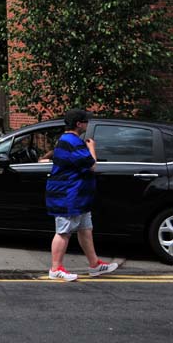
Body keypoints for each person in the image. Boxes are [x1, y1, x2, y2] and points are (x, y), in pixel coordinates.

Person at [45, 109, 118, 281]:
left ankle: (95, 265)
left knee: (85, 228)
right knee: (63, 231)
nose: (87, 124)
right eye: (86, 121)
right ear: (79, 124)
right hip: (67, 194)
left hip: (78, 195)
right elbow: (91, 165)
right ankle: (55, 269)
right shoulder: (72, 142)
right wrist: (92, 148)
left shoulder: (69, 140)